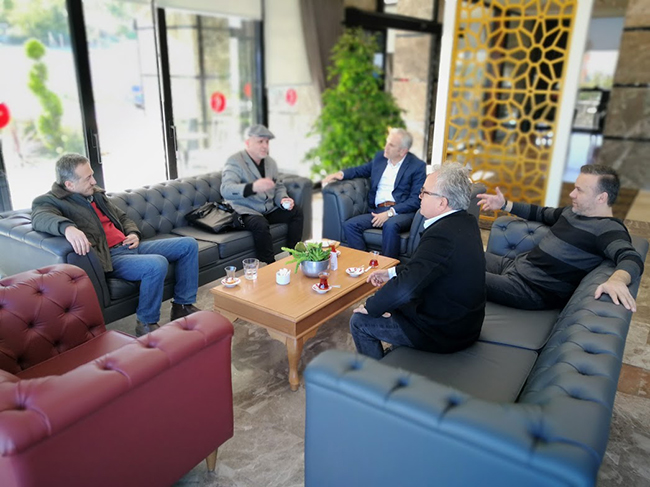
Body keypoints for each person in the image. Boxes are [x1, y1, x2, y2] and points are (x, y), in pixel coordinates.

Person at [32, 153, 201, 337]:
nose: (94, 181)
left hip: (129, 245)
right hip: (111, 256)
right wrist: (67, 228)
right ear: (69, 184)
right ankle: (146, 323)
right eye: (88, 178)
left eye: (92, 175)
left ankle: (182, 306)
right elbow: (40, 217)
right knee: (156, 264)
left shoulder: (95, 194)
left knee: (188, 245)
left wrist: (133, 233)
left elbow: (122, 217)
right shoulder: (50, 201)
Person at [350, 163, 486, 360]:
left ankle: (374, 375)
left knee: (359, 321)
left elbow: (406, 288)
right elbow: (424, 268)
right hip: (464, 321)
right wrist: (390, 273)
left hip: (445, 332)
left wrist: (371, 307)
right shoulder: (465, 221)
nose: (419, 196)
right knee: (392, 300)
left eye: (424, 192)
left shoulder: (442, 235)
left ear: (442, 202)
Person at [477, 164, 644, 311]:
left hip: (530, 290)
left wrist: (617, 280)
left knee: (463, 275)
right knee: (465, 255)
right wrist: (504, 204)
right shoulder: (572, 212)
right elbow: (540, 213)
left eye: (579, 190)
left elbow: (630, 257)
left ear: (602, 197)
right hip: (515, 266)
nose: (572, 194)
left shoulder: (608, 229)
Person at [322, 128, 426, 258]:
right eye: (387, 142)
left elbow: (415, 200)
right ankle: (363, 262)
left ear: (402, 151)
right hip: (378, 210)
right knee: (350, 225)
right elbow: (361, 170)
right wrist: (340, 174)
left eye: (391, 145)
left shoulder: (417, 166)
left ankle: (387, 268)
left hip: (401, 212)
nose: (385, 147)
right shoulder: (380, 158)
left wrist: (390, 213)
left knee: (390, 225)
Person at [221, 124, 304, 264]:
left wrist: (283, 199)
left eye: (267, 142)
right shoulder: (235, 161)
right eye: (260, 141)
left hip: (268, 209)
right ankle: (269, 264)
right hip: (246, 211)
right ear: (248, 143)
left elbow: (278, 186)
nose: (265, 146)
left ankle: (294, 255)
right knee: (260, 223)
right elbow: (226, 189)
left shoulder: (270, 162)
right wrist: (253, 187)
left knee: (296, 212)